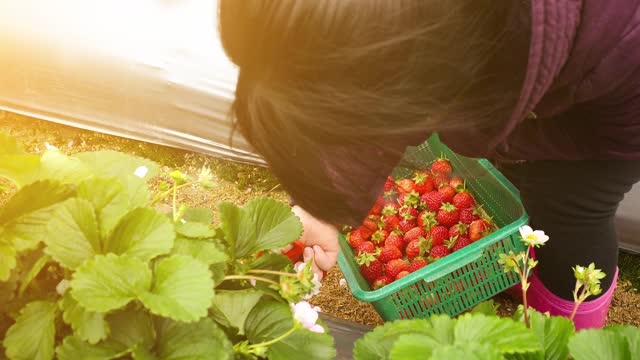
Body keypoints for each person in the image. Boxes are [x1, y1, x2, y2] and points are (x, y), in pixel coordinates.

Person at [218, 0, 640, 328]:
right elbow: (362, 98)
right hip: (525, 78)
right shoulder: (407, 32)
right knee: (512, 190)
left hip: (617, 121)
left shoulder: (620, 39)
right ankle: (516, 268)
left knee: (570, 207)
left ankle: (571, 331)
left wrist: (524, 142)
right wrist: (319, 207)